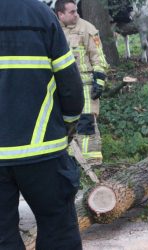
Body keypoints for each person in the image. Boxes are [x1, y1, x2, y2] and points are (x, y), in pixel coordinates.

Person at [0, 0, 84, 249]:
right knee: (58, 231)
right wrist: (69, 124)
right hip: (42, 150)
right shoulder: (40, 15)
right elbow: (69, 84)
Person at [56, 0, 109, 166]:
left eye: (76, 10)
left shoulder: (87, 28)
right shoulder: (53, 30)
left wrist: (99, 80)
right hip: (61, 88)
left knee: (86, 123)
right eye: (71, 12)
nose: (76, 14)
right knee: (63, 124)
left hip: (85, 86)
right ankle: (70, 160)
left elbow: (98, 57)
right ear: (60, 14)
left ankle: (91, 163)